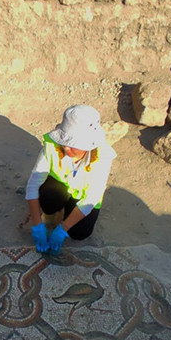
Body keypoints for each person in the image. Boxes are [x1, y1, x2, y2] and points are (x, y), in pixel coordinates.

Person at [24, 104, 116, 254]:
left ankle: (65, 216)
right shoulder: (52, 146)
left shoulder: (103, 157)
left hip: (81, 196)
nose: (66, 148)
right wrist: (36, 225)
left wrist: (63, 228)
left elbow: (91, 198)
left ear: (88, 145)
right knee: (49, 198)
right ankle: (49, 214)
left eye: (73, 145)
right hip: (58, 187)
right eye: (65, 141)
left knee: (80, 233)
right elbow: (34, 183)